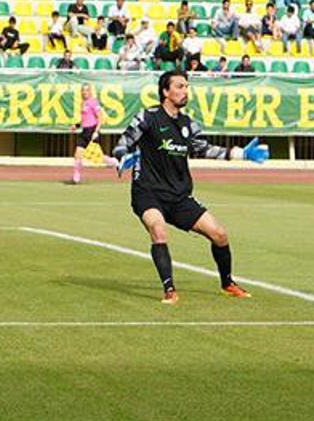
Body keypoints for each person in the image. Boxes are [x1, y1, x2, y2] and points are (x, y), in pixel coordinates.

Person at [112, 71, 269, 303]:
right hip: (148, 192)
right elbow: (121, 146)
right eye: (180, 86)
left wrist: (239, 153)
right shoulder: (147, 117)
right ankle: (169, 290)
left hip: (179, 196)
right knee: (158, 230)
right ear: (166, 91)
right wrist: (123, 158)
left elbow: (203, 149)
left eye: (187, 86)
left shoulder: (188, 124)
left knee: (220, 234)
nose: (186, 90)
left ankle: (227, 283)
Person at [69, 84, 120, 184]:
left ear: (90, 91)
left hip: (92, 131)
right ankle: (76, 176)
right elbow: (85, 119)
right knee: (77, 154)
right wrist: (76, 125)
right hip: (84, 132)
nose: (84, 92)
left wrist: (96, 131)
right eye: (83, 90)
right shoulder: (83, 103)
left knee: (98, 157)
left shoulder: (93, 102)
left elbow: (100, 118)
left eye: (86, 90)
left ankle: (113, 162)